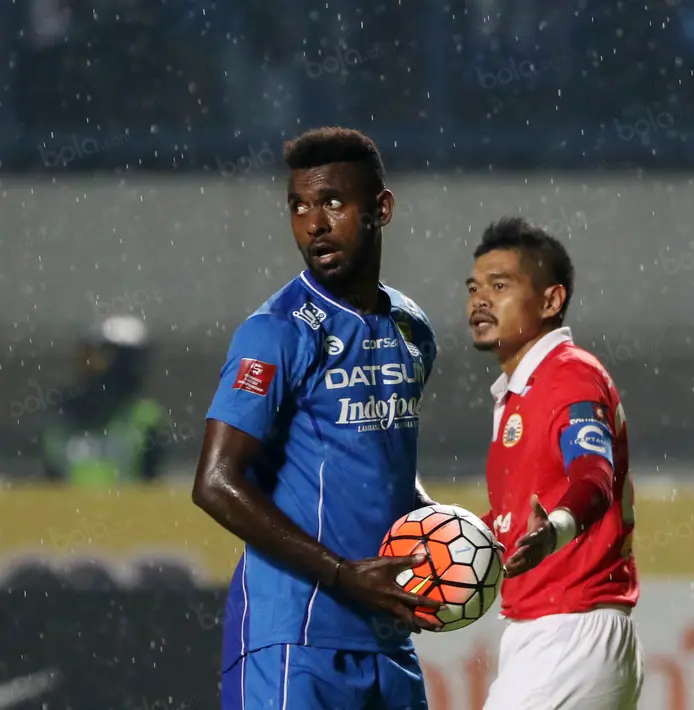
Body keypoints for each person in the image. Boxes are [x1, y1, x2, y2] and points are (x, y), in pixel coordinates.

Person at [192, 127, 444, 710]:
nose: (313, 223)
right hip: (294, 638)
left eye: (333, 202)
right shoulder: (277, 331)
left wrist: (445, 529)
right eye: (299, 206)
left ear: (381, 208)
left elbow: (383, 463)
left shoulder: (412, 328)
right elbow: (214, 483)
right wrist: (340, 573)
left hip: (387, 637)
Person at [465, 217, 643, 709]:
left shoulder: (569, 377)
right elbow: (515, 525)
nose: (480, 299)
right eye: (475, 287)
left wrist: (558, 528)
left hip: (571, 631)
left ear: (550, 300)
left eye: (500, 286)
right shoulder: (523, 393)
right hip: (547, 632)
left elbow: (594, 474)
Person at [41, 314, 170, 486]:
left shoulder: (147, 420)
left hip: (127, 511)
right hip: (68, 510)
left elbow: (152, 482)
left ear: (123, 363)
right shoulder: (63, 416)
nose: (87, 365)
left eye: (99, 357)